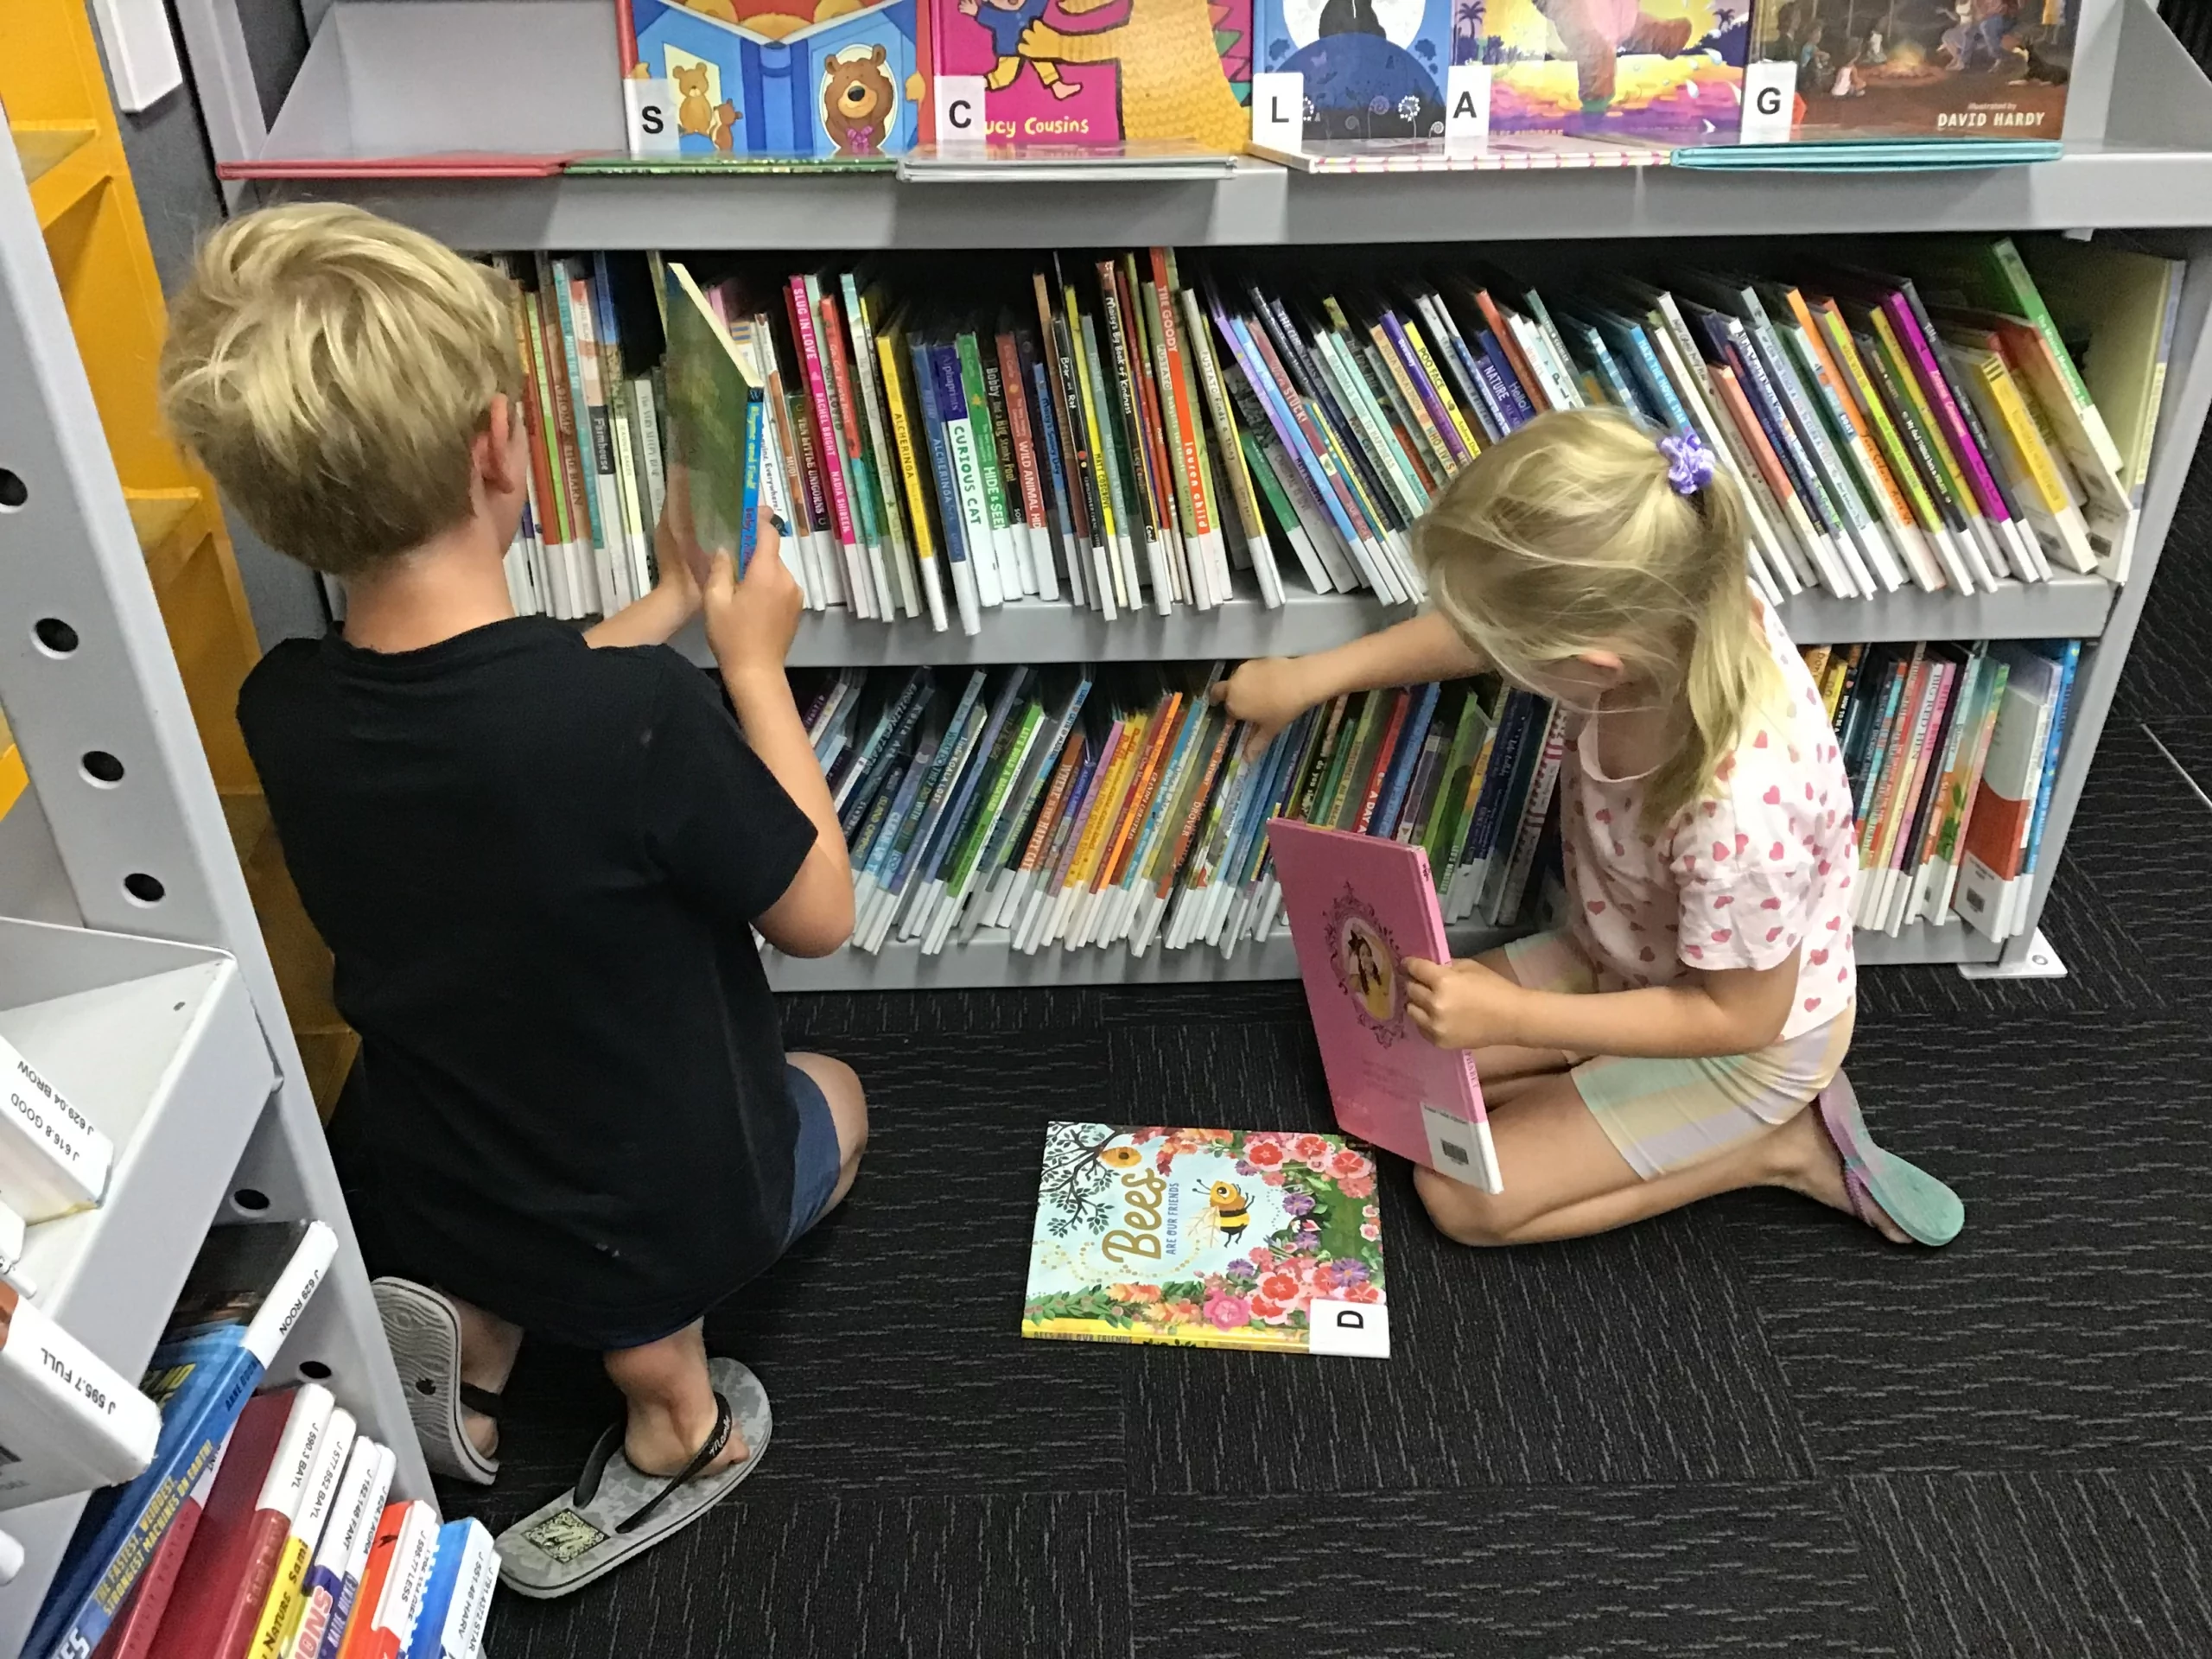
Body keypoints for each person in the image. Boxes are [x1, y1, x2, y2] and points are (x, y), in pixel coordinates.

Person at [159, 204, 867, 1592]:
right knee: (836, 1098)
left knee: (501, 1104)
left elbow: (497, 725)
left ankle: (474, 1344)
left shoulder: (284, 707)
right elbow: (819, 913)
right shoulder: (639, 723)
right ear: (501, 443)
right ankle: (675, 1416)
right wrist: (753, 664)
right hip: (649, 1200)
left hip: (434, 1170)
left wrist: (659, 606)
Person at [1214, 410, 1963, 1251]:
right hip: (1613, 956)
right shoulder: (1671, 602)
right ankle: (1605, 1085)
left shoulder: (1743, 809)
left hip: (1744, 1041)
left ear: (1591, 662)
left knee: (1463, 1197)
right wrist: (1313, 677)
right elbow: (1490, 621)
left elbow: (1737, 1019)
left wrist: (1513, 1019)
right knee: (1378, 1055)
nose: (1484, 650)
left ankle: (1776, 1148)